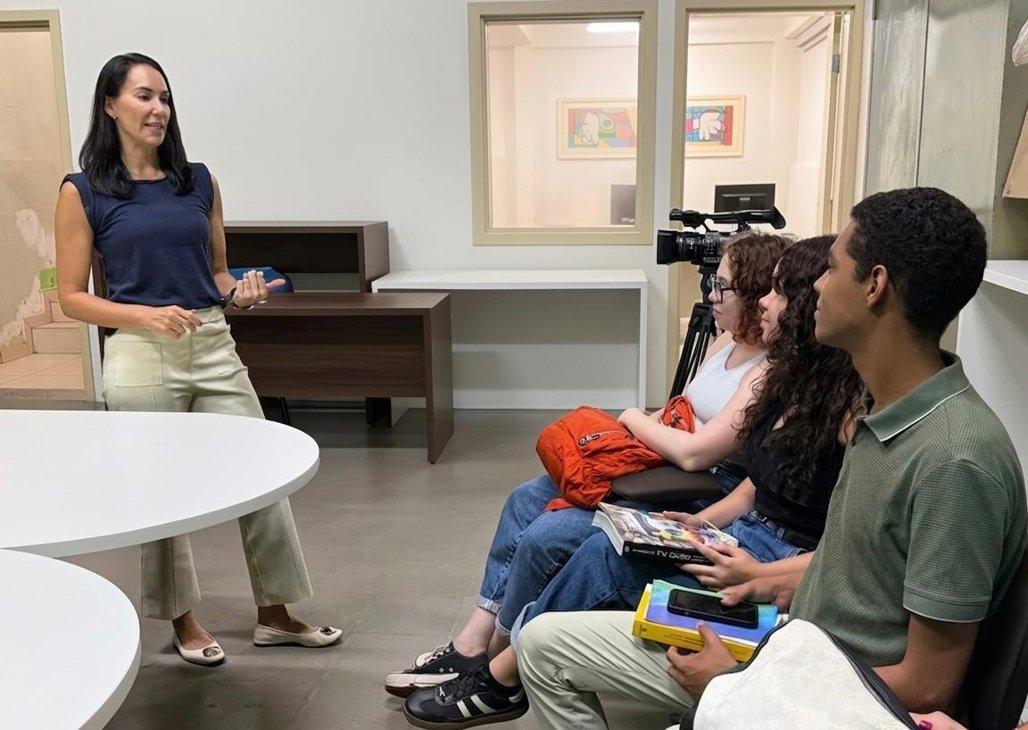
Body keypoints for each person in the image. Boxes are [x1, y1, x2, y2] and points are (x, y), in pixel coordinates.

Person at [513, 187, 1027, 729]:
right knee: (543, 643)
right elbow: (863, 569)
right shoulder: (879, 411)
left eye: (830, 269)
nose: (818, 288)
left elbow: (928, 687)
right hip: (794, 643)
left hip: (834, 693)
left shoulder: (954, 461)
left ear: (874, 286)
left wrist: (743, 679)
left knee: (554, 641)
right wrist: (765, 581)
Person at [401, 235, 865, 728]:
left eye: (777, 293)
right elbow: (759, 484)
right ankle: (493, 657)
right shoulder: (796, 383)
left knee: (589, 550)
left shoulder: (850, 411)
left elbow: (852, 545)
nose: (765, 303)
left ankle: (500, 674)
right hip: (738, 526)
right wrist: (696, 525)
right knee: (539, 504)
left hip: (768, 553)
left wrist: (764, 573)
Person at [54, 53, 341, 666]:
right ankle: (183, 619)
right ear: (110, 105)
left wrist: (241, 292)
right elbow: (72, 297)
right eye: (143, 96)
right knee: (159, 492)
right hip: (137, 350)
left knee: (263, 472)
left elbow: (215, 273)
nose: (158, 109)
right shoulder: (83, 191)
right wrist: (143, 316)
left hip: (211, 341)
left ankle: (275, 613)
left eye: (165, 98)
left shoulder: (198, 180)